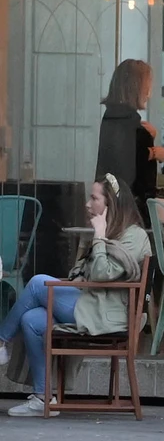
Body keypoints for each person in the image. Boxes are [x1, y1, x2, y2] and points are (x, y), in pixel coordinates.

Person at [0, 174, 152, 416]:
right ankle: (42, 397)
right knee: (33, 320)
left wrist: (100, 235)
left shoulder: (134, 235)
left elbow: (102, 274)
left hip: (107, 314)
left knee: (39, 283)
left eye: (94, 198)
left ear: (110, 203)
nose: (87, 204)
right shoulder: (110, 232)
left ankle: (1, 340)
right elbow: (81, 274)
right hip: (90, 304)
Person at [96, 59, 161, 209]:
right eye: (147, 87)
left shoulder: (111, 120)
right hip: (132, 212)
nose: (149, 94)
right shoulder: (134, 129)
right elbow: (142, 183)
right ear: (137, 88)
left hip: (112, 206)